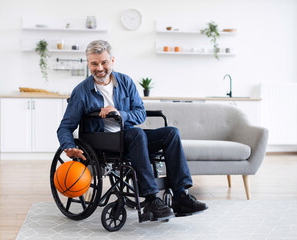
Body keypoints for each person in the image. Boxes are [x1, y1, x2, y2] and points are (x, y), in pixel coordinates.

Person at [57, 40, 207, 220]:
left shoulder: (126, 82)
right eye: (94, 64)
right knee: (137, 134)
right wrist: (68, 146)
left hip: (129, 138)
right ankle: (151, 199)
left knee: (171, 133)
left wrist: (120, 114)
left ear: (112, 60)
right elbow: (65, 126)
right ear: (88, 64)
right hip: (102, 141)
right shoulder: (81, 92)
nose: (100, 68)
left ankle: (180, 197)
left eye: (104, 62)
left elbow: (140, 113)